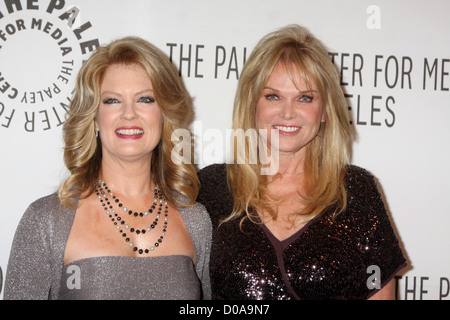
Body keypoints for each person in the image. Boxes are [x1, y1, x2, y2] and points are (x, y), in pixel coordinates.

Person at [197, 25, 406, 300]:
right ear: (252, 104)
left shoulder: (356, 191)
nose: (287, 112)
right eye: (273, 96)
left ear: (324, 111)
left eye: (304, 98)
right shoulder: (210, 189)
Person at [4, 36, 211, 300]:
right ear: (94, 117)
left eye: (145, 99)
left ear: (164, 115)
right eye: (112, 100)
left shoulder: (195, 220)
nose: (128, 114)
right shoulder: (47, 221)